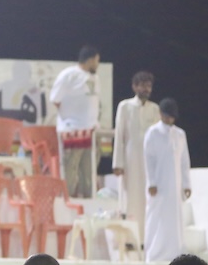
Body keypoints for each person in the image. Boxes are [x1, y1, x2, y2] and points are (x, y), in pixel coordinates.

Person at [142, 98, 191, 263]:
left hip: (175, 185)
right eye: (167, 115)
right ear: (161, 114)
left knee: (174, 218)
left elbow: (184, 161)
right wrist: (152, 182)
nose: (170, 119)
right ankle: (153, 253)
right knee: (156, 217)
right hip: (158, 185)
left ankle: (175, 252)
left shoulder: (180, 134)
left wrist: (186, 184)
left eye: (172, 116)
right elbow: (148, 159)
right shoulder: (152, 133)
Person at [49, 46, 101, 198]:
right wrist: (71, 117)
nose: (97, 64)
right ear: (90, 60)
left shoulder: (95, 78)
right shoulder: (69, 75)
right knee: (70, 172)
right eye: (97, 61)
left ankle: (89, 204)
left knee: (89, 172)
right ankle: (67, 203)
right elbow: (55, 99)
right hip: (73, 131)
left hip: (91, 132)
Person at [112, 71, 159, 230]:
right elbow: (119, 135)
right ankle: (130, 237)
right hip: (130, 159)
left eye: (148, 86)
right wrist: (118, 163)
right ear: (134, 87)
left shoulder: (155, 109)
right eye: (142, 85)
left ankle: (146, 237)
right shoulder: (125, 106)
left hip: (149, 161)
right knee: (130, 197)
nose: (146, 89)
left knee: (148, 198)